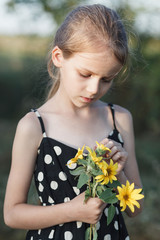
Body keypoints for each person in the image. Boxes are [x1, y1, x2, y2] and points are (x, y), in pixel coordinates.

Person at [4, 4, 143, 240]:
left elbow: (134, 210)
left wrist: (119, 174)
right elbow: (12, 214)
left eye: (106, 79)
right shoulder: (35, 126)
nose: (94, 88)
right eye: (85, 74)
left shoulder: (119, 119)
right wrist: (72, 211)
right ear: (58, 57)